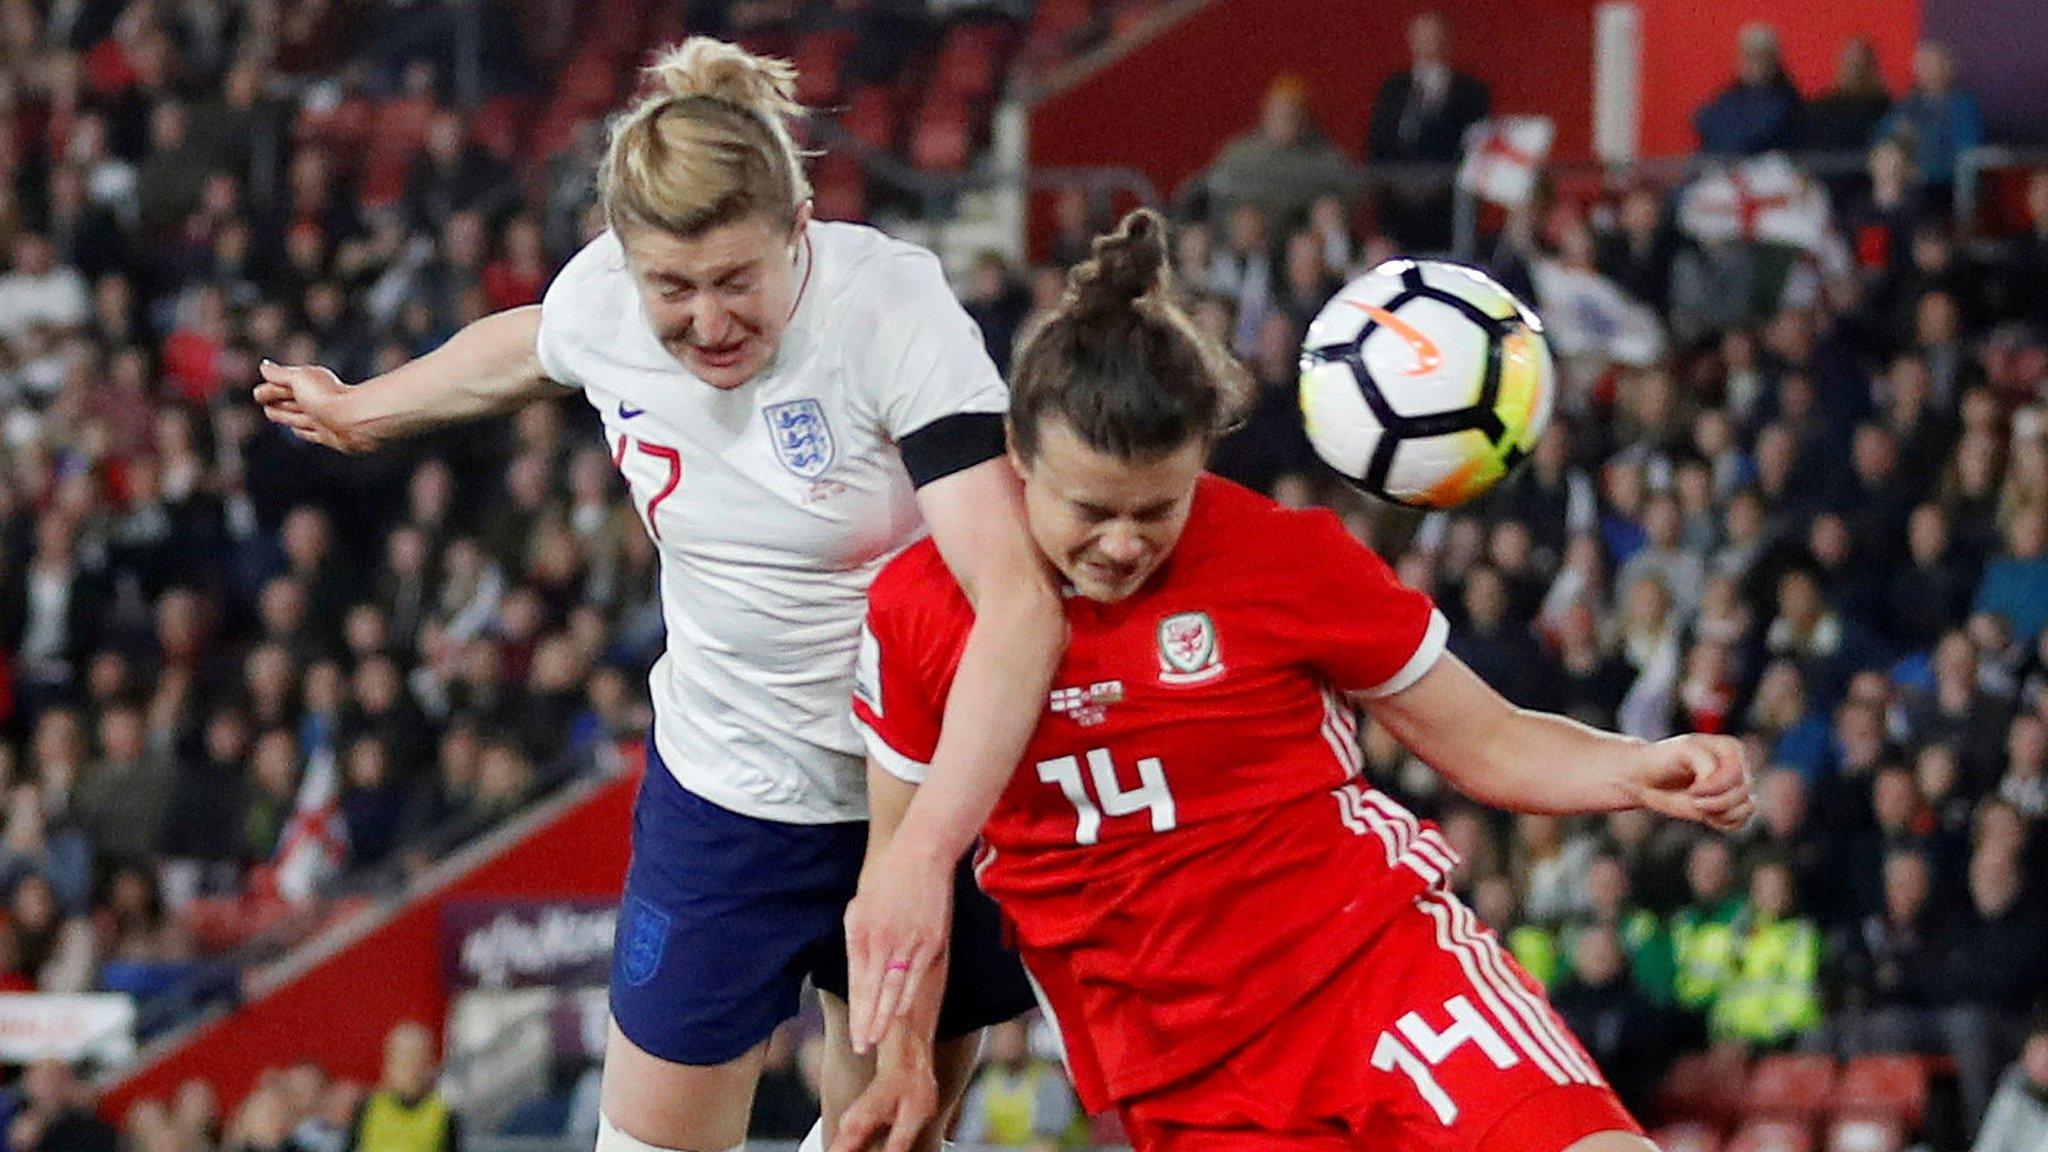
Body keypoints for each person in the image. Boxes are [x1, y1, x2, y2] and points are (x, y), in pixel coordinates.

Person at [253, 36, 1063, 1152]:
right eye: (670, 287)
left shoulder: (890, 312)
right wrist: (363, 409)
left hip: (917, 790)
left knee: (887, 1134)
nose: (706, 321)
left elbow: (1013, 596)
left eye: (736, 280)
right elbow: (528, 346)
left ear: (796, 230)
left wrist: (923, 852)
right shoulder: (608, 303)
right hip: (729, 791)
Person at [838, 210, 1753, 1152]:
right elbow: (904, 863)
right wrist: (903, 1049)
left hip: (1377, 972)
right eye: (1090, 509)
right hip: (1180, 1075)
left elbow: (1486, 739)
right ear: (1020, 457)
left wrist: (1637, 768)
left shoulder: (1282, 557)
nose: (1123, 543)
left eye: (1158, 509)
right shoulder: (918, 610)